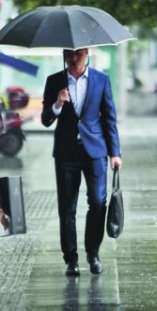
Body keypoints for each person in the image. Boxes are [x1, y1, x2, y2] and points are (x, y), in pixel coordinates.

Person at [41, 48, 122, 277]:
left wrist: (115, 153)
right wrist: (57, 104)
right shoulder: (55, 81)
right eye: (68, 53)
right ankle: (71, 259)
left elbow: (109, 118)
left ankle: (93, 253)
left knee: (98, 201)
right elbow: (46, 119)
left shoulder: (101, 80)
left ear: (86, 52)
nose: (73, 57)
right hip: (66, 153)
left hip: (95, 151)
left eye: (77, 53)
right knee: (67, 207)